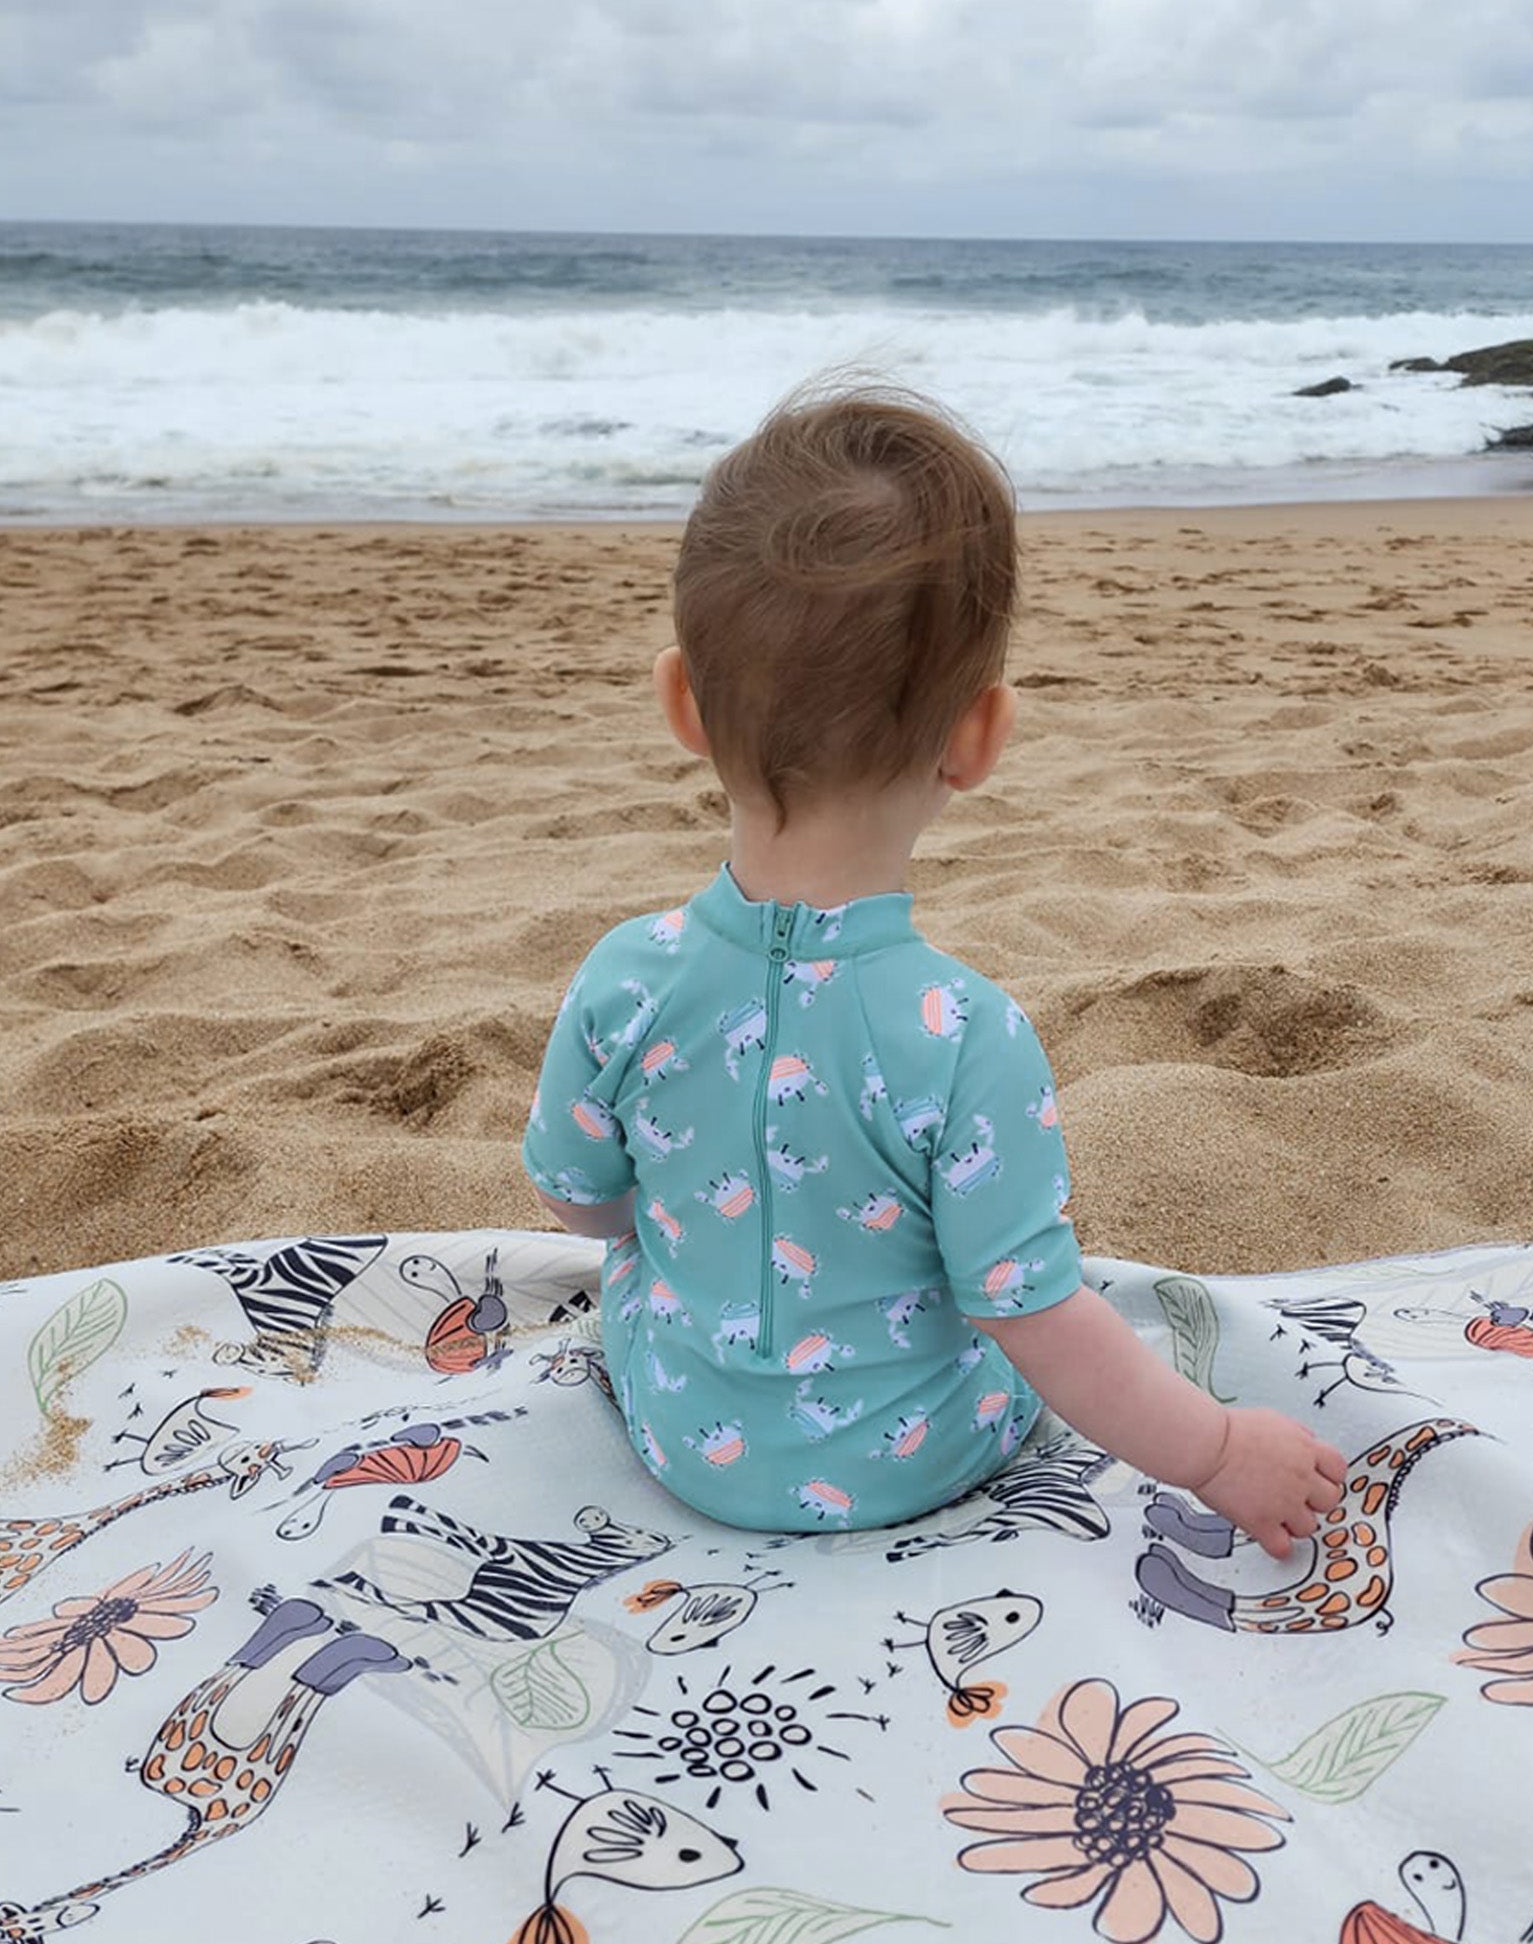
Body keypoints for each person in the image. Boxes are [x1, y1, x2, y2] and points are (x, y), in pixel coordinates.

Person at [523, 381, 1344, 1546]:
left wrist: (666, 1221)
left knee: (638, 1272)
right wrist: (1216, 1449)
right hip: (915, 1462)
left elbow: (575, 1195)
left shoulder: (622, 977)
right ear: (978, 735)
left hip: (681, 1435)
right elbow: (1032, 1312)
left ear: (681, 705)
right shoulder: (964, 1031)